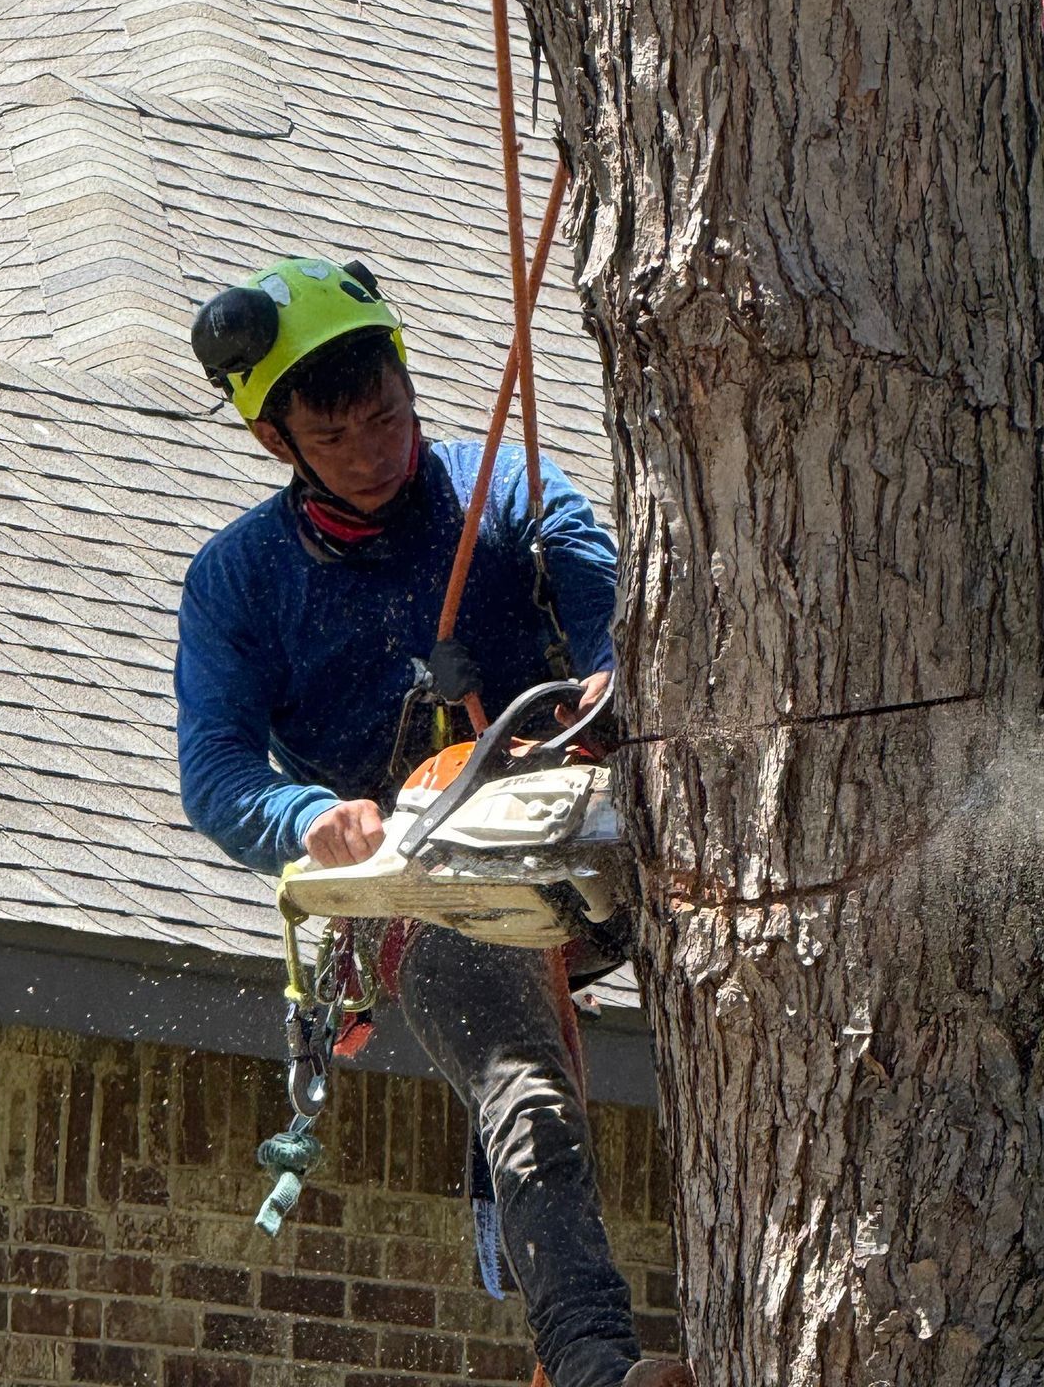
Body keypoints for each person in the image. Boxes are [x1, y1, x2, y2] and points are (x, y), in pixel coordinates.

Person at [174, 252, 689, 1387]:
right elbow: (214, 769)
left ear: (409, 382)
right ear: (279, 443)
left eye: (387, 416)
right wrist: (307, 816)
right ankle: (597, 1366)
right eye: (338, 437)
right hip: (431, 880)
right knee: (524, 1090)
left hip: (605, 824)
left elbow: (639, 630)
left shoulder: (511, 494)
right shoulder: (241, 580)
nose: (373, 451)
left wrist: (604, 684)